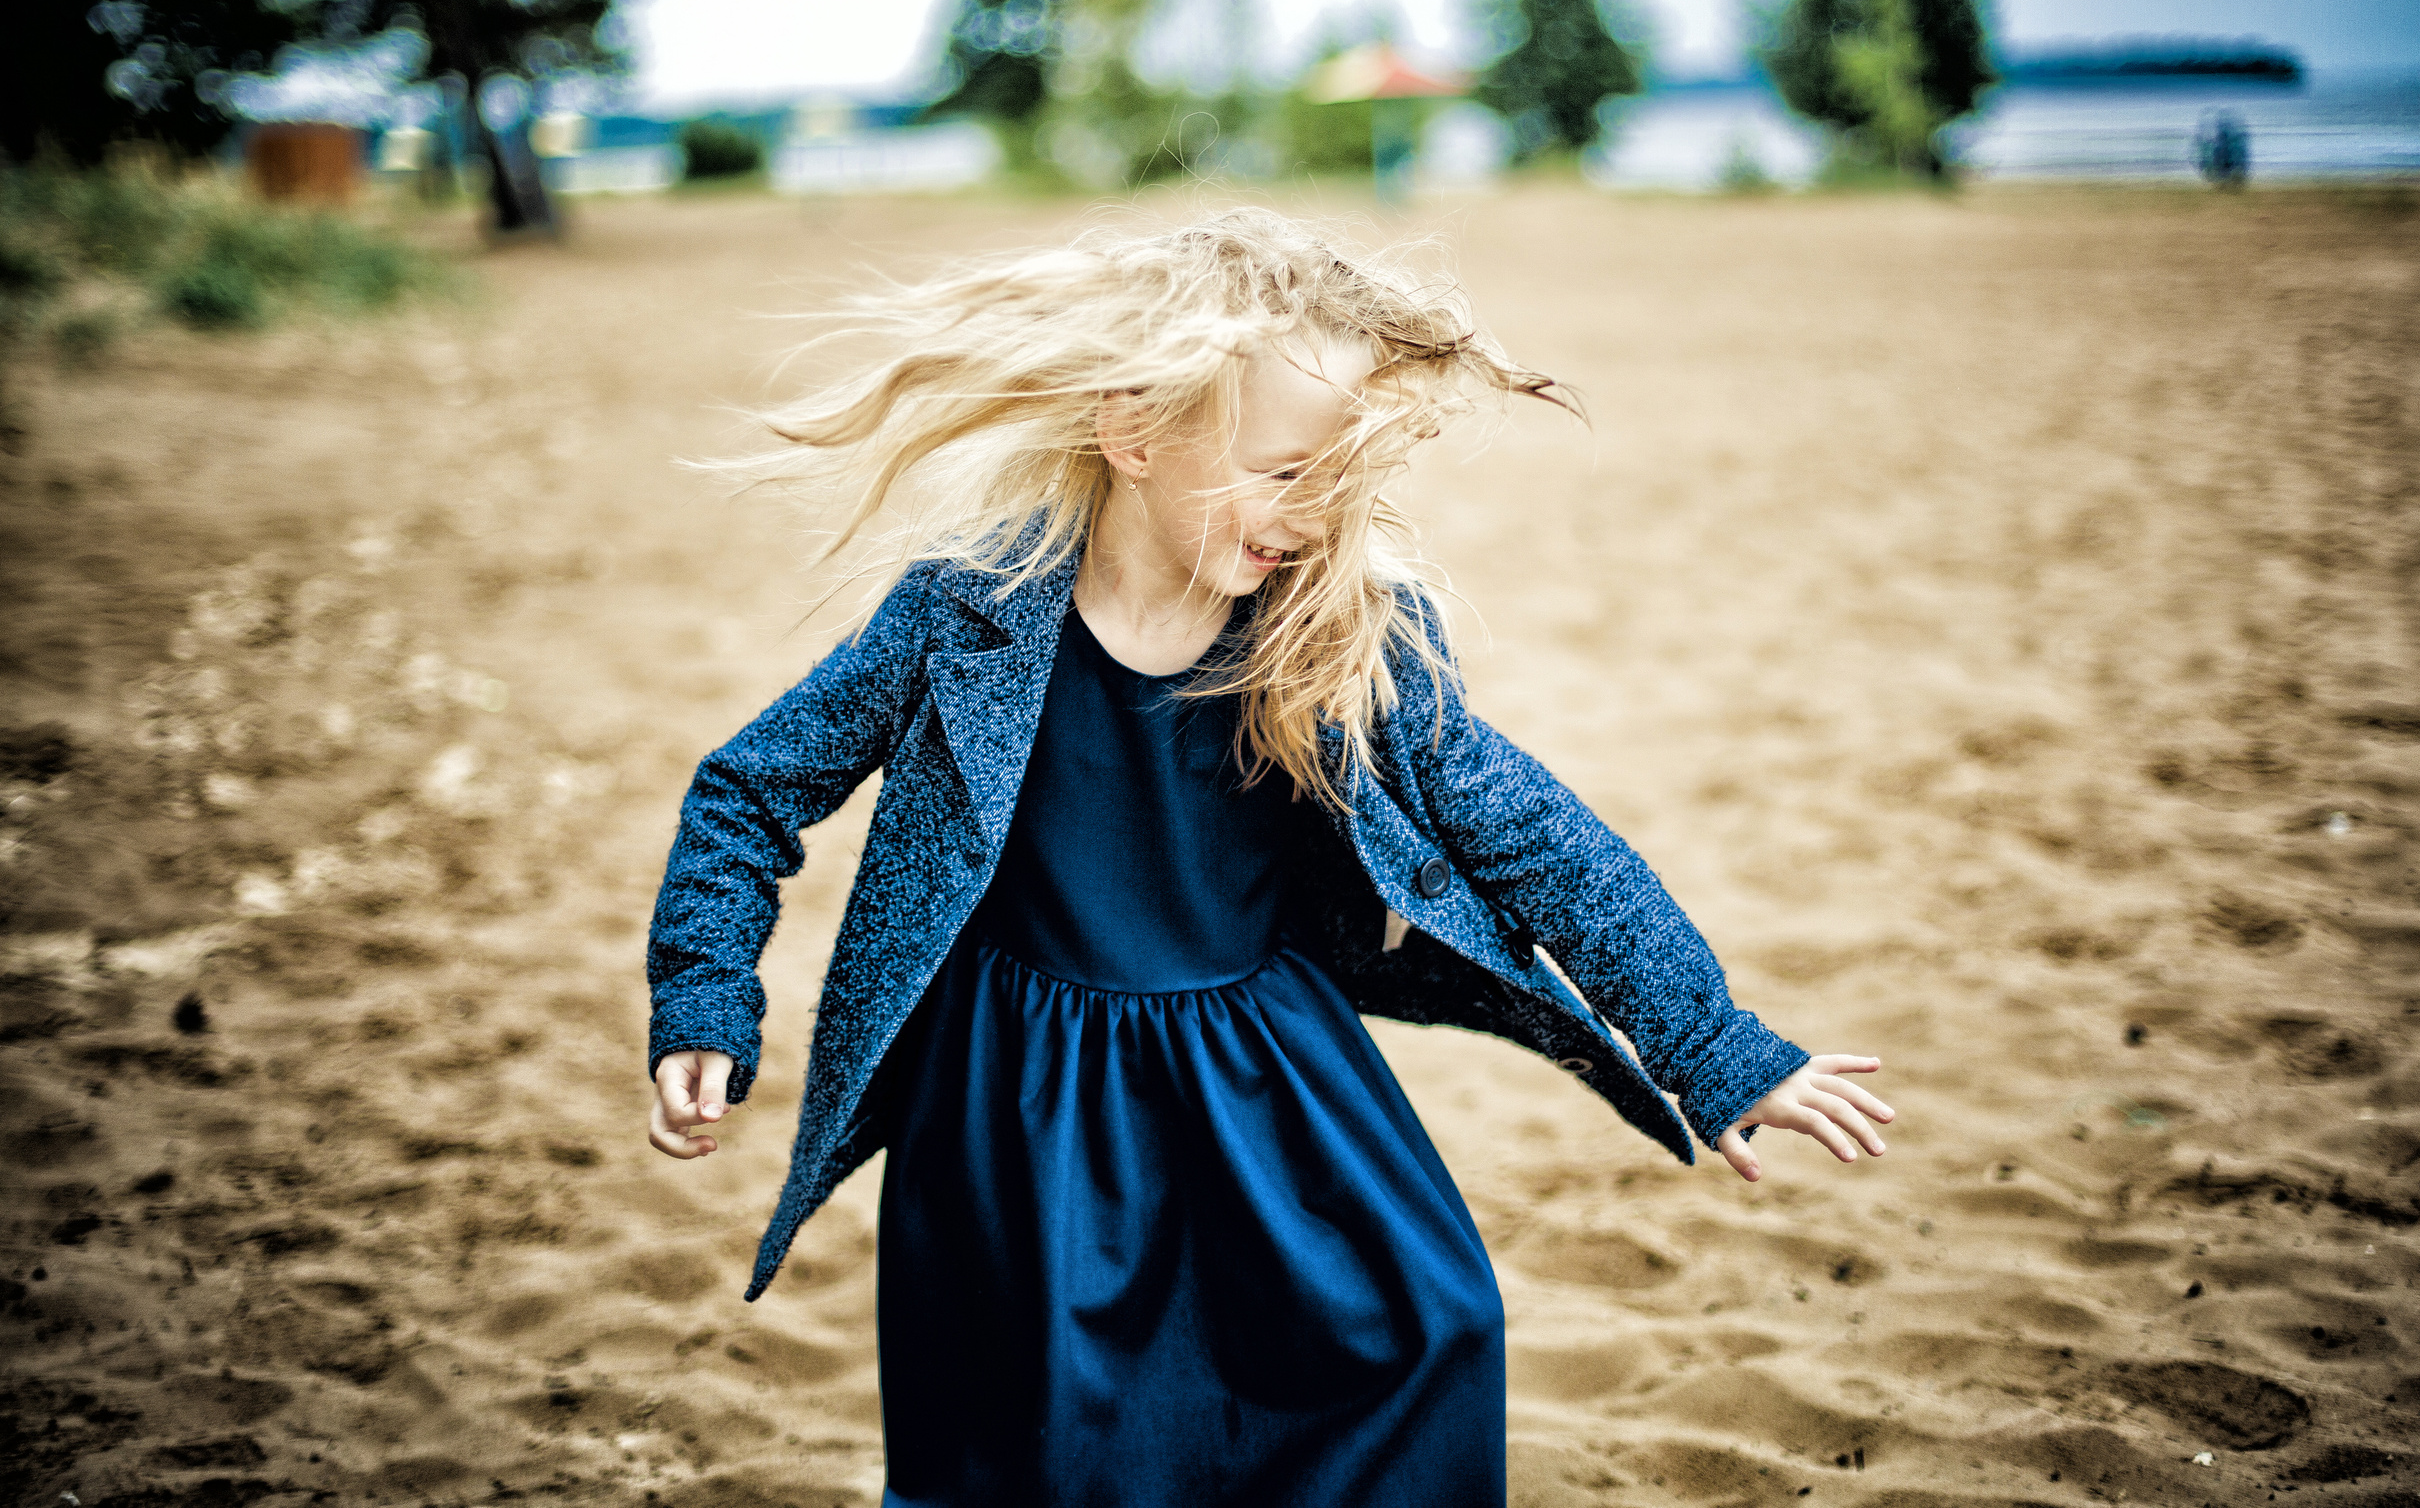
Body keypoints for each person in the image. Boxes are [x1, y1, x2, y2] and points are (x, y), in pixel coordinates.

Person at [643, 210, 1895, 1506]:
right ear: (1135, 432)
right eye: (1286, 470)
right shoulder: (967, 612)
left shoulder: (1334, 631)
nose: (1316, 512)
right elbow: (749, 790)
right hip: (1020, 1100)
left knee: (1431, 1328)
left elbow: (1534, 835)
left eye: (1337, 476)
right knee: (1064, 1441)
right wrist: (703, 996)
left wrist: (1713, 1046)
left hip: (1264, 1069)